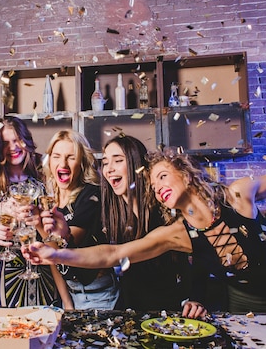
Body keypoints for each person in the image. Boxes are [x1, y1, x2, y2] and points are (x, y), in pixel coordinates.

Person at [26, 134, 266, 331]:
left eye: (163, 177)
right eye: (152, 182)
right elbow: (113, 253)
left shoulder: (239, 195)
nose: (156, 187)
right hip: (242, 305)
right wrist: (56, 253)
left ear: (184, 173)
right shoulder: (179, 232)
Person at [44, 134, 204, 315]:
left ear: (137, 165)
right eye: (105, 163)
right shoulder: (108, 212)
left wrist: (196, 296)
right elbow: (92, 265)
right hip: (132, 310)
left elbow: (199, 251)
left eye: (118, 161)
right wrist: (65, 238)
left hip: (175, 310)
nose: (109, 169)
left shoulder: (164, 204)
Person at [41, 130, 119, 310]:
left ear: (82, 162)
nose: (63, 163)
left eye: (71, 157)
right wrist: (67, 302)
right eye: (57, 156)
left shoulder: (92, 195)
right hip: (70, 294)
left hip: (99, 295)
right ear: (49, 161)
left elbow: (65, 243)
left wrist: (37, 222)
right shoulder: (50, 198)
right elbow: (54, 259)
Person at [0, 116, 59, 308]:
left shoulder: (44, 176)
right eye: (5, 143)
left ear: (26, 140)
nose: (13, 147)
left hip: (42, 265)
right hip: (6, 267)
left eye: (17, 140)